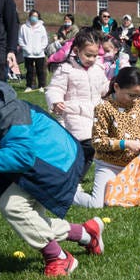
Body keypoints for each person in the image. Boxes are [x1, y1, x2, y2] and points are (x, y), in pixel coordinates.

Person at [0, 79, 104, 276]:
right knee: (32, 219)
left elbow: (21, 156)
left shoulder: (8, 112)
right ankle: (86, 233)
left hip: (57, 162)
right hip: (41, 160)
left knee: (14, 206)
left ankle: (59, 258)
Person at [72, 68, 140, 209]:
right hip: (108, 164)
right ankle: (72, 193)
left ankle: (125, 190)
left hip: (136, 164)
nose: (135, 99)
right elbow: (98, 142)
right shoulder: (103, 108)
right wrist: (125, 144)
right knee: (96, 205)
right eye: (131, 95)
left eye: (138, 95)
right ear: (116, 87)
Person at [45, 30, 110, 177]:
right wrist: (56, 101)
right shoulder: (66, 69)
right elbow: (55, 88)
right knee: (84, 146)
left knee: (92, 150)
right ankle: (68, 177)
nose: (92, 59)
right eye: (88, 55)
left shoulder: (98, 69)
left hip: (95, 114)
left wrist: (112, 86)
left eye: (95, 55)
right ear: (76, 51)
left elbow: (103, 88)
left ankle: (75, 180)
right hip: (74, 115)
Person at [18, 10, 48, 92]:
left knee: (40, 71)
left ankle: (41, 86)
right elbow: (20, 39)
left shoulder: (41, 27)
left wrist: (40, 49)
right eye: (32, 16)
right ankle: (29, 86)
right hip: (28, 54)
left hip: (39, 54)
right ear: (29, 16)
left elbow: (45, 40)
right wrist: (25, 48)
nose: (34, 18)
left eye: (36, 16)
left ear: (38, 18)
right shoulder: (24, 27)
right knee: (29, 71)